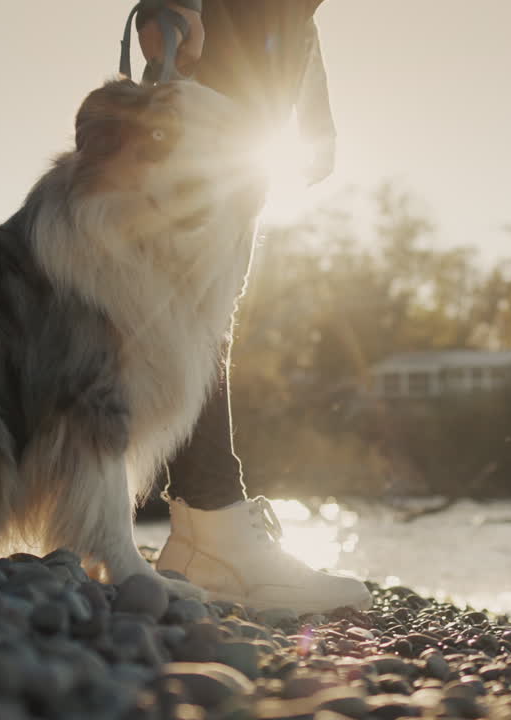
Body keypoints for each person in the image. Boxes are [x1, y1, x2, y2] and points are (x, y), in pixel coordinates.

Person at [126, 0, 371, 613]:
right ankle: (213, 523)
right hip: (217, 60)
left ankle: (197, 534)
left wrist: (314, 114)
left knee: (205, 307)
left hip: (257, 81)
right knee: (186, 305)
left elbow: (297, 15)